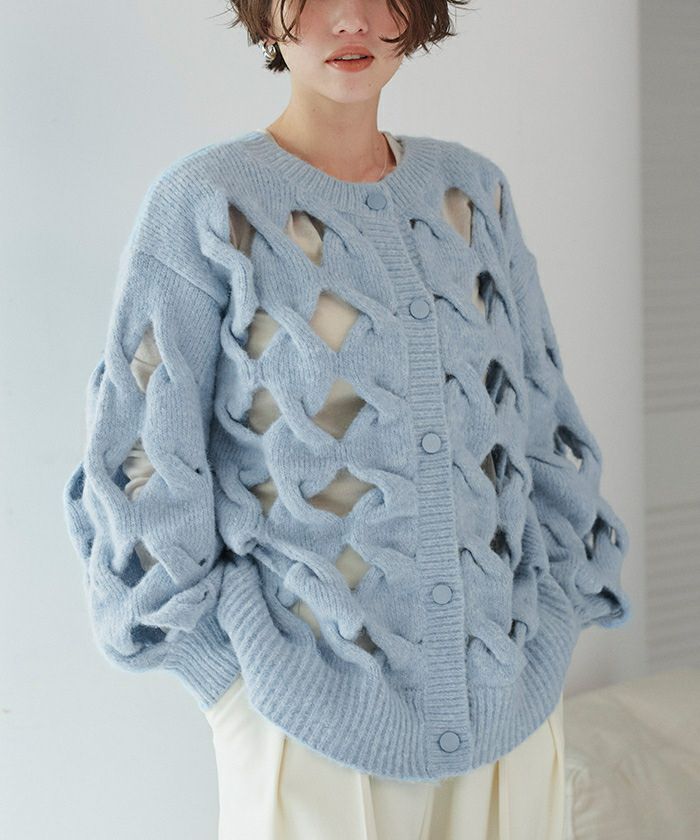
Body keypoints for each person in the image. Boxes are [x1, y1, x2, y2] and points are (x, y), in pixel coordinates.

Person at [62, 0, 632, 837]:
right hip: (306, 726)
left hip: (511, 716)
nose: (352, 19)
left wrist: (552, 626)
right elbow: (141, 458)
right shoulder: (208, 208)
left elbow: (539, 430)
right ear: (265, 14)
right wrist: (229, 684)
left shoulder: (472, 197)